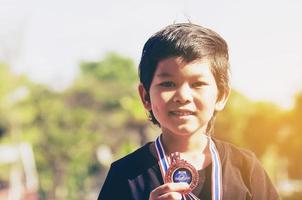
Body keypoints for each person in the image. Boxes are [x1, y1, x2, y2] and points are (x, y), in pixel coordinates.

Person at [98, 23, 280, 200]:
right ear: (146, 97)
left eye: (197, 84)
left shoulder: (246, 169)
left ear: (221, 96)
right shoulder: (125, 175)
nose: (183, 96)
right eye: (168, 84)